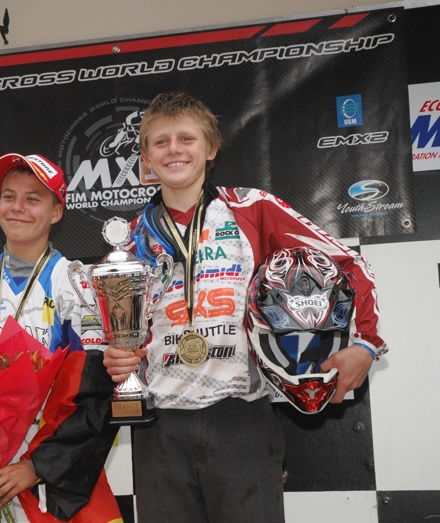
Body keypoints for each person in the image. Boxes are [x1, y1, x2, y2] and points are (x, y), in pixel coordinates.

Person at [102, 92, 387, 522]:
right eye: (160, 142)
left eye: (186, 138)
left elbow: (347, 263)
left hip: (241, 414)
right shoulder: (130, 240)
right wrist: (117, 356)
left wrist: (366, 343)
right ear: (145, 156)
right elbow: (116, 330)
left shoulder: (252, 208)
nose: (174, 149)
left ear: (211, 148)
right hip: (160, 422)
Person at [0, 153, 123, 523]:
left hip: (46, 477)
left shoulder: (77, 284)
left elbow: (96, 397)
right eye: (9, 196)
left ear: (56, 211)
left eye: (33, 198)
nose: (17, 207)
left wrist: (36, 466)